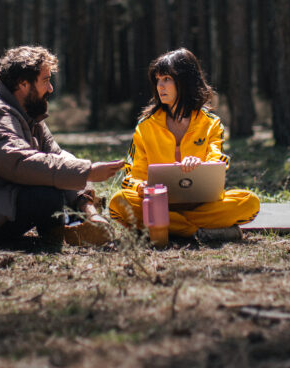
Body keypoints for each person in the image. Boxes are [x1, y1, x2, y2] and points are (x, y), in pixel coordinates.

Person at [0, 45, 123, 246]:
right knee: (47, 195)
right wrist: (88, 172)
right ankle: (61, 233)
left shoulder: (26, 108)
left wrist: (87, 207)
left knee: (55, 177)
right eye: (46, 80)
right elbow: (19, 163)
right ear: (23, 84)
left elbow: (56, 155)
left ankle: (75, 227)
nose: (51, 88)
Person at [108, 48, 260, 242]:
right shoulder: (145, 126)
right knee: (118, 201)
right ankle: (199, 232)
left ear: (185, 82)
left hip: (202, 204)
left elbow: (218, 162)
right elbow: (131, 175)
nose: (159, 86)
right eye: (157, 80)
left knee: (249, 202)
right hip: (158, 202)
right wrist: (141, 187)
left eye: (167, 79)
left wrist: (200, 163)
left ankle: (168, 226)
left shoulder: (210, 123)